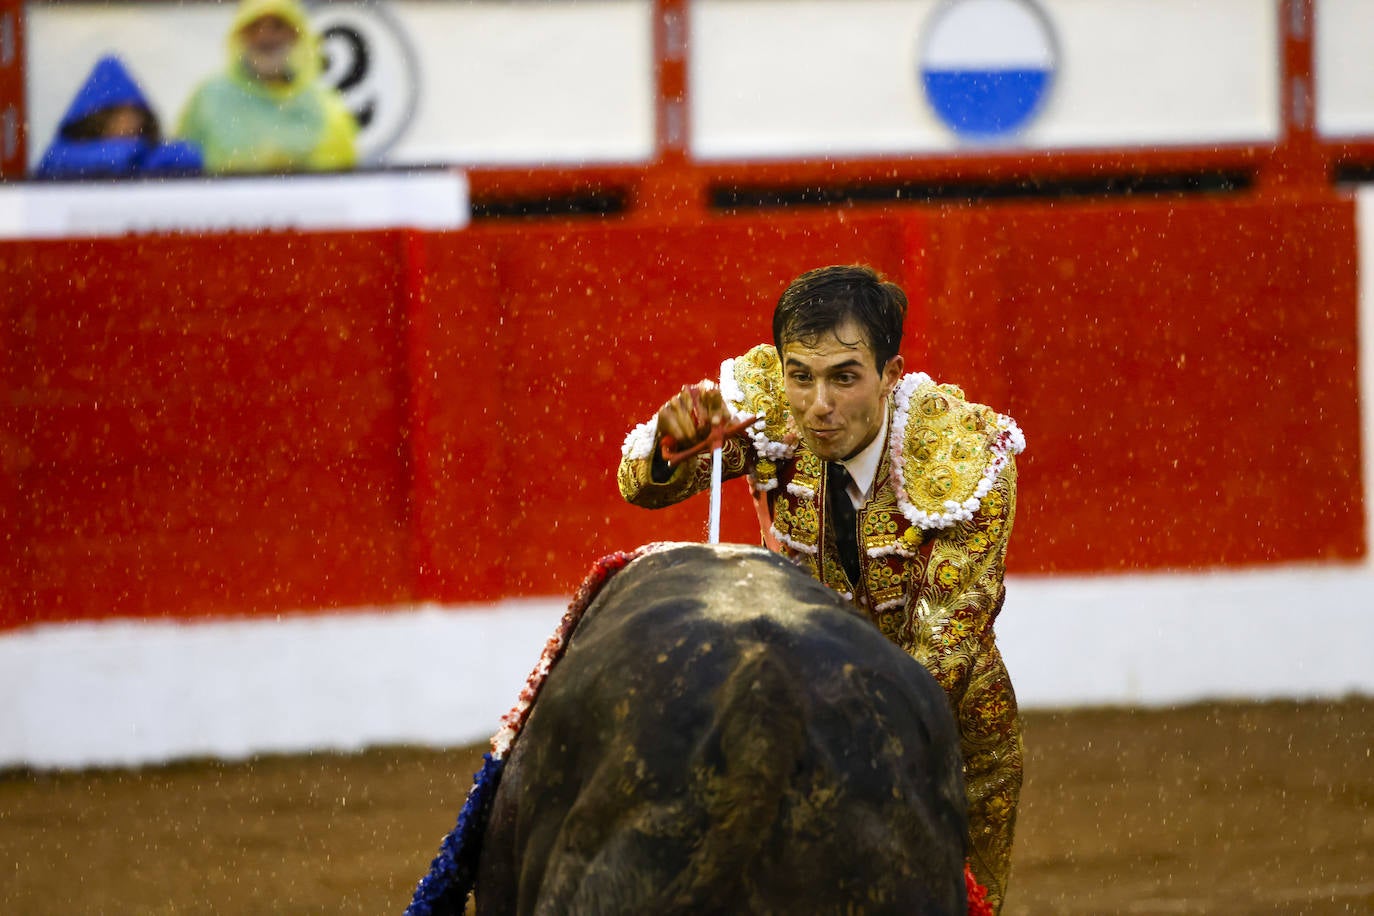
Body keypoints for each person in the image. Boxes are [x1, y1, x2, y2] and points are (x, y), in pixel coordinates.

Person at [617, 264, 1026, 912]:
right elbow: (642, 486)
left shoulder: (965, 458)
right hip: (797, 686)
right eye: (800, 375)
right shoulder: (773, 409)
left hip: (940, 725)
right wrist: (669, 447)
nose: (817, 405)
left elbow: (939, 658)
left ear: (891, 375)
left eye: (844, 377)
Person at [177, 0, 357, 174]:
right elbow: (182, 169)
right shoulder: (207, 99)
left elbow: (340, 178)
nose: (265, 36)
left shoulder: (326, 106)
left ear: (295, 35)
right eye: (255, 26)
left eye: (278, 25)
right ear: (242, 35)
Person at [35, 55, 202, 180]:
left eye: (135, 112)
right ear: (97, 117)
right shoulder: (61, 159)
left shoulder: (153, 158)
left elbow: (186, 158)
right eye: (120, 114)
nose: (131, 121)